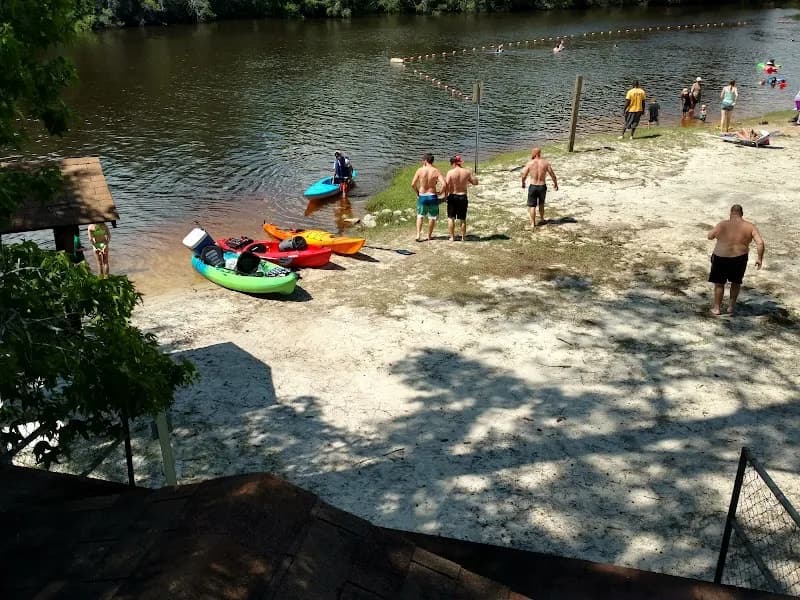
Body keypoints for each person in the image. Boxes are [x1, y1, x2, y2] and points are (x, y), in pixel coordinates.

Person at [707, 204, 765, 316]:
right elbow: (760, 243)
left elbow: (709, 236)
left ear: (730, 213)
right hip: (739, 258)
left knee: (719, 284)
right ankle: (731, 307)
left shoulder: (722, 224)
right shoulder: (750, 226)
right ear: (741, 214)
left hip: (720, 257)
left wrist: (719, 235)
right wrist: (759, 258)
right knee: (736, 282)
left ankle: (717, 308)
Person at [411, 153, 446, 242]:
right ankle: (429, 236)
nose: (422, 162)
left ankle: (418, 235)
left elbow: (413, 184)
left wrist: (417, 193)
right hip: (432, 196)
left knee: (420, 216)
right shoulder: (436, 171)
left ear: (426, 161)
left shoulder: (420, 170)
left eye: (423, 160)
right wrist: (440, 192)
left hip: (422, 195)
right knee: (432, 217)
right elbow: (444, 184)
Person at [520, 147, 558, 228]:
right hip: (542, 186)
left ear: (535, 153)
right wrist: (555, 183)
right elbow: (552, 174)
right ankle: (542, 219)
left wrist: (523, 183)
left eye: (532, 152)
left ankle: (533, 223)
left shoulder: (530, 163)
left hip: (533, 186)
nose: (531, 154)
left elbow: (524, 175)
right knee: (541, 204)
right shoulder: (545, 163)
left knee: (532, 206)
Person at [444, 154, 478, 241]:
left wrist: (445, 196)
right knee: (462, 218)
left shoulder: (450, 172)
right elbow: (475, 183)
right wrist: (473, 174)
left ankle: (452, 237)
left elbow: (446, 186)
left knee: (451, 218)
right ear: (460, 163)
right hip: (462, 196)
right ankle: (463, 237)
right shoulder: (466, 172)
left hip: (452, 196)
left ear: (454, 163)